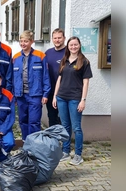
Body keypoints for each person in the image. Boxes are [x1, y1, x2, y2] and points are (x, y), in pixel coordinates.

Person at [52, 36, 92, 166]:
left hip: (75, 99)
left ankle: (78, 155)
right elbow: (59, 79)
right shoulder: (64, 60)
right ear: (68, 46)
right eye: (71, 45)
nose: (73, 47)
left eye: (75, 45)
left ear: (79, 45)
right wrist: (55, 96)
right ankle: (65, 151)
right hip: (62, 97)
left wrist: (83, 100)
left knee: (76, 128)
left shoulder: (84, 62)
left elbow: (86, 83)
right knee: (65, 126)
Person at [12, 30, 50, 141]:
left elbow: (45, 76)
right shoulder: (15, 57)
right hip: (20, 95)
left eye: (26, 41)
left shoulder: (40, 56)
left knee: (34, 122)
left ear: (31, 41)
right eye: (21, 41)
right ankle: (25, 143)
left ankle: (34, 145)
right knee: (23, 121)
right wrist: (14, 95)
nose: (23, 43)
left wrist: (46, 94)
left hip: (35, 94)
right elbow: (12, 78)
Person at [45, 28, 66, 126]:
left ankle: (64, 140)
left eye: (59, 38)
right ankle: (53, 140)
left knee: (64, 118)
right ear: (52, 39)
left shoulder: (69, 52)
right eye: (55, 38)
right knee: (52, 117)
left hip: (64, 92)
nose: (57, 40)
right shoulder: (48, 53)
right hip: (50, 91)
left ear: (64, 38)